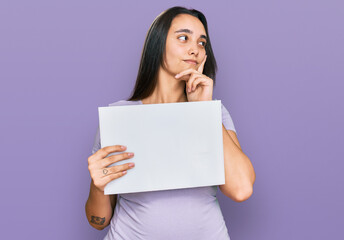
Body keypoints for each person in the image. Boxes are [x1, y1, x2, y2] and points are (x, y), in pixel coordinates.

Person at [85, 6, 255, 240]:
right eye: (183, 38)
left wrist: (203, 111)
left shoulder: (213, 113)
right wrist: (98, 186)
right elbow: (98, 221)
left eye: (202, 43)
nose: (195, 49)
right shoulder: (119, 117)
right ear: (158, 44)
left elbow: (241, 189)